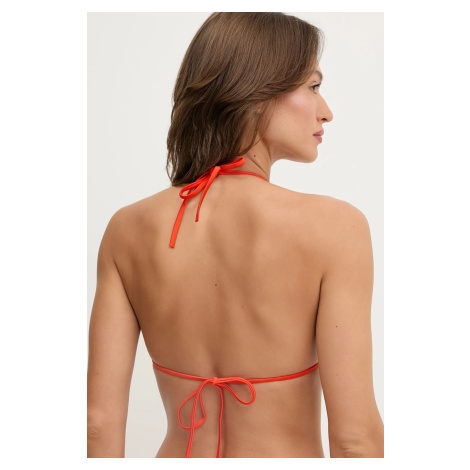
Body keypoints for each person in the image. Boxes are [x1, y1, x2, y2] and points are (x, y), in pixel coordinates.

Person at [87, 12, 384, 458]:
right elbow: (355, 439)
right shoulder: (336, 228)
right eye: (313, 87)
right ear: (257, 94)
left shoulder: (127, 229)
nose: (326, 111)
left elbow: (97, 424)